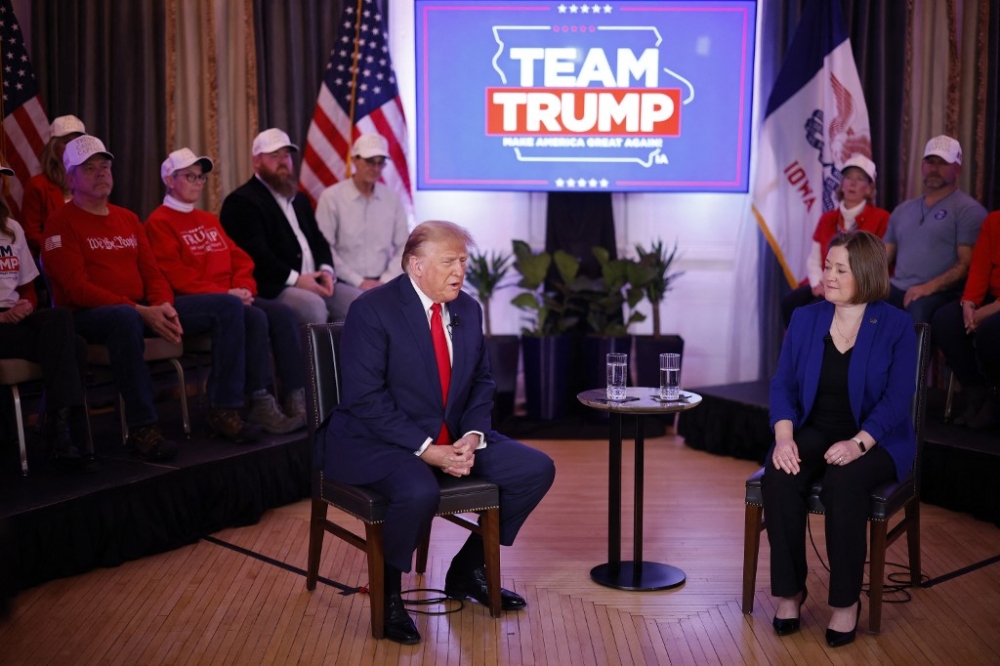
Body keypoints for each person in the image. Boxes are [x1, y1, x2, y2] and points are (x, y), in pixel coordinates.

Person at [325, 220, 555, 645]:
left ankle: (467, 571)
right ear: (415, 266)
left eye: (463, 261)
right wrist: (427, 449)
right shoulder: (372, 308)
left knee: (534, 469)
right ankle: (389, 593)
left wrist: (471, 436)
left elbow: (482, 381)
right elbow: (365, 398)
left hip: (451, 436)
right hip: (378, 439)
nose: (459, 272)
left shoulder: (467, 308)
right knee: (417, 492)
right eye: (449, 261)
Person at [42, 136, 261, 461]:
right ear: (70, 177)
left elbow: (153, 274)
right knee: (124, 318)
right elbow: (76, 289)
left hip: (142, 309)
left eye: (105, 166)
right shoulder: (60, 223)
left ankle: (223, 410)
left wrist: (164, 307)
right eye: (89, 169)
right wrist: (141, 310)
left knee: (228, 306)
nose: (101, 173)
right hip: (89, 317)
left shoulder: (128, 218)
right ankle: (143, 427)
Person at [763, 230, 917, 648]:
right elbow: (783, 385)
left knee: (844, 482)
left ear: (865, 273)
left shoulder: (896, 325)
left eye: (839, 269)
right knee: (779, 475)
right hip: (817, 429)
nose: (827, 275)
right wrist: (783, 437)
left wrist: (858, 444)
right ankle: (790, 592)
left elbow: (898, 398)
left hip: (877, 438)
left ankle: (846, 602)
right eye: (828, 266)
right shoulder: (806, 318)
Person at [145, 148, 306, 433]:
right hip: (192, 302)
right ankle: (251, 402)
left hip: (228, 297)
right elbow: (175, 276)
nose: (197, 182)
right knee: (250, 315)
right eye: (189, 176)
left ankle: (293, 397)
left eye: (201, 177)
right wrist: (226, 293)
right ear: (169, 180)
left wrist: (243, 287)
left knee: (281, 313)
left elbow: (239, 258)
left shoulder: (208, 220)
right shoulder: (159, 222)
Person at [0, 166, 90, 468]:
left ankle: (59, 430)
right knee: (73, 344)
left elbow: (27, 287)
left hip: (16, 317)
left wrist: (26, 304)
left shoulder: (11, 227)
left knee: (62, 323)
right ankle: (63, 434)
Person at [219, 128, 353, 324]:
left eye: (287, 155)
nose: (283, 162)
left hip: (314, 279)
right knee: (313, 307)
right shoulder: (241, 202)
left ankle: (346, 356)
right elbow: (257, 255)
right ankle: (311, 356)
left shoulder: (299, 199)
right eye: (274, 156)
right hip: (276, 286)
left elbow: (318, 240)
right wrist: (297, 280)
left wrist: (326, 270)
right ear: (257, 161)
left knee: (358, 302)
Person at [884, 135, 987, 324]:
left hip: (942, 291)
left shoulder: (968, 210)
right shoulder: (902, 210)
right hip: (897, 286)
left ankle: (916, 355)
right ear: (922, 166)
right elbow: (883, 256)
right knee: (860, 301)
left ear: (957, 169)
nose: (934, 169)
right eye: (930, 162)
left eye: (942, 163)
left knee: (918, 310)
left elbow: (967, 265)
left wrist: (928, 287)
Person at [781, 154, 890, 327]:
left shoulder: (881, 218)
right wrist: (819, 282)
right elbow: (814, 259)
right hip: (824, 282)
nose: (852, 183)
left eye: (860, 179)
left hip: (858, 286)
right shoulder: (827, 218)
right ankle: (798, 352)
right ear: (842, 184)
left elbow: (874, 264)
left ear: (869, 188)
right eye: (848, 178)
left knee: (813, 314)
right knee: (790, 304)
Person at [314, 134, 407, 302]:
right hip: (342, 283)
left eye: (380, 162)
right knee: (363, 307)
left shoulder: (391, 199)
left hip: (385, 282)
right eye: (370, 161)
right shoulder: (332, 197)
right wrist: (358, 281)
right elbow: (324, 248)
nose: (375, 168)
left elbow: (405, 246)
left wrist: (385, 280)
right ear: (354, 161)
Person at [931, 210, 1000, 428]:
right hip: (991, 295)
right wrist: (969, 304)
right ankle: (976, 392)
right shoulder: (994, 220)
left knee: (991, 329)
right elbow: (979, 267)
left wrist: (987, 311)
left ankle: (996, 399)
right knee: (946, 320)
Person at [21, 114, 87, 256]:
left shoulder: (90, 183)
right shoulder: (37, 185)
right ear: (54, 147)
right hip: (53, 259)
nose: (73, 147)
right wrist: (65, 248)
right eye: (67, 142)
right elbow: (32, 235)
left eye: (78, 142)